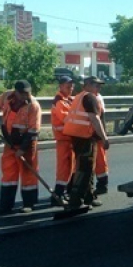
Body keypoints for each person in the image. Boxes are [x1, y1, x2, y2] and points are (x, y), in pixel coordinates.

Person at [0, 80, 42, 215]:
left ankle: (29, 203)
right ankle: (5, 205)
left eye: (28, 93)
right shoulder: (6, 97)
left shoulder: (33, 106)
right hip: (10, 141)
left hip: (27, 143)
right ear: (16, 92)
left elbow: (34, 130)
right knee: (8, 173)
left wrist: (23, 149)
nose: (26, 96)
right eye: (23, 94)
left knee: (28, 173)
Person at [63, 76, 110, 210]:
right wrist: (104, 137)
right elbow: (94, 119)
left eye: (100, 86)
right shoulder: (90, 97)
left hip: (77, 135)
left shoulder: (79, 96)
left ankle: (89, 197)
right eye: (96, 85)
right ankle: (76, 200)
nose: (99, 88)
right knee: (84, 169)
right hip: (84, 137)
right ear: (88, 84)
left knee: (87, 168)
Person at [50, 75, 75, 206]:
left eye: (71, 86)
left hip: (69, 138)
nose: (71, 88)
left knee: (70, 167)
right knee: (64, 168)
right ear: (60, 87)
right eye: (68, 86)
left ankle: (64, 193)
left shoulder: (68, 100)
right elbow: (68, 120)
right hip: (64, 139)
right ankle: (58, 195)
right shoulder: (60, 102)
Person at [93, 88, 109, 195]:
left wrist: (103, 137)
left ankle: (102, 185)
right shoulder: (93, 97)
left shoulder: (95, 98)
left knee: (100, 161)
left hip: (95, 136)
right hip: (93, 135)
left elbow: (99, 118)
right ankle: (102, 185)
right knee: (100, 161)